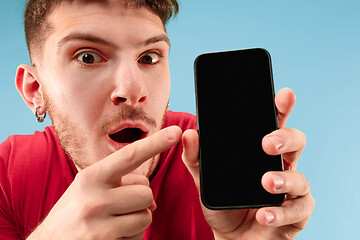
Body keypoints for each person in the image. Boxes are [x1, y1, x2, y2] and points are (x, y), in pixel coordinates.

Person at [0, 0, 315, 239]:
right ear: (35, 90)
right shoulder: (7, 174)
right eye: (88, 57)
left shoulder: (210, 152)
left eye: (149, 58)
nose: (131, 90)